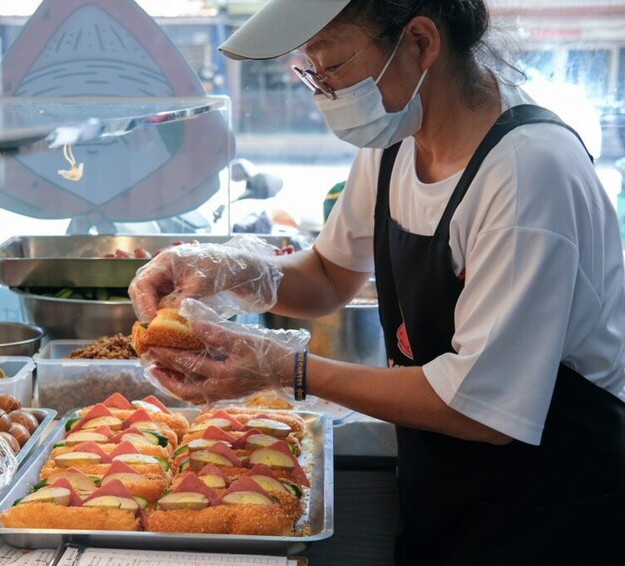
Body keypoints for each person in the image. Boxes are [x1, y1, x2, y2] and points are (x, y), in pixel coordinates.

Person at [128, 1, 625, 564]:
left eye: (333, 67)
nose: (324, 92)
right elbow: (328, 276)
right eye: (312, 71)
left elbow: (480, 407)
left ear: (420, 43)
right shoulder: (398, 138)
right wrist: (230, 267)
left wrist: (285, 368)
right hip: (443, 492)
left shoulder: (527, 173)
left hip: (549, 513)